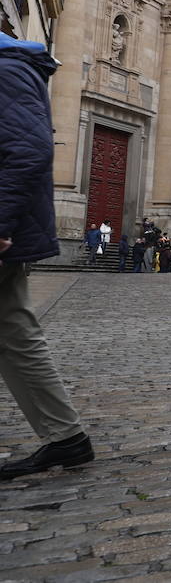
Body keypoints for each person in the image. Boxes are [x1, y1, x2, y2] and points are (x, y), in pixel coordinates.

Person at [0, 32, 94, 479]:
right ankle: (65, 437)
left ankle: (66, 436)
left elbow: (29, 150)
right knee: (14, 332)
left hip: (6, 229)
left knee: (16, 332)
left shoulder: (7, 70)